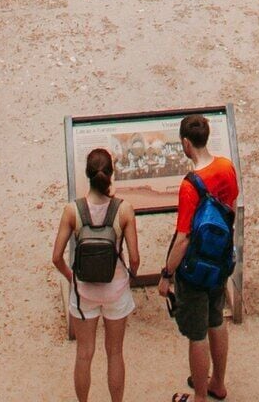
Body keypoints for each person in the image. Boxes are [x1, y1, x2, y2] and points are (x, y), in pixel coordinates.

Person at [154, 113, 240, 401]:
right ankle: (218, 381)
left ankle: (201, 396)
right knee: (216, 319)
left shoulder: (190, 186)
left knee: (197, 333)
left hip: (194, 268)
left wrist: (167, 275)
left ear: (186, 144)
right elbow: (231, 207)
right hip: (220, 260)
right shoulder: (226, 168)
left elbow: (183, 238)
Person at [55, 147, 138, 402]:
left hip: (84, 292)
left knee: (84, 354)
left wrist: (73, 278)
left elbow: (56, 257)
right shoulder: (124, 210)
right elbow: (134, 258)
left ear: (87, 175)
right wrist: (128, 278)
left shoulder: (73, 210)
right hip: (115, 290)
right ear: (111, 174)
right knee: (115, 353)